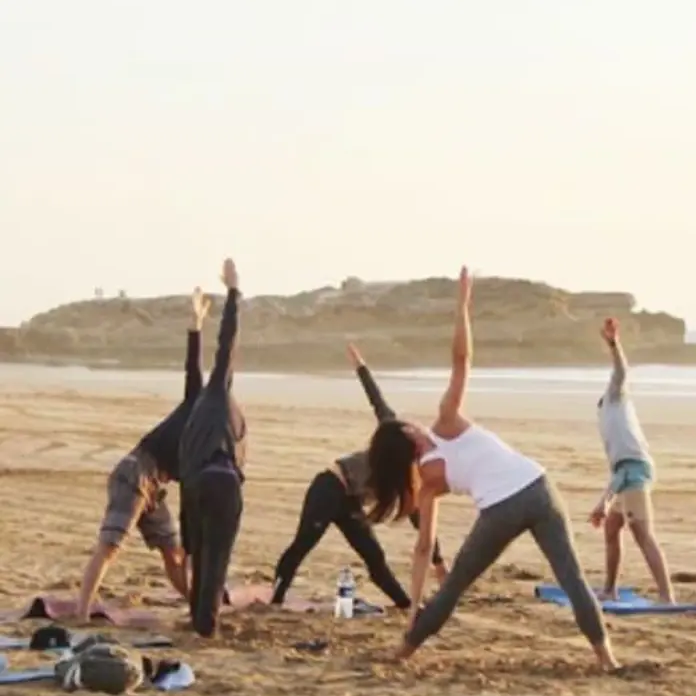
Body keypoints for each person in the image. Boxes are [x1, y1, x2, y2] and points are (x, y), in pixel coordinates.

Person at [364, 266, 619, 670]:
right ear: (408, 432)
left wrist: (414, 605)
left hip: (503, 509)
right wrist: (463, 306)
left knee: (455, 586)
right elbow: (462, 360)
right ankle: (606, 658)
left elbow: (423, 549)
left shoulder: (427, 483)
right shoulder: (446, 421)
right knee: (572, 578)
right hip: (539, 488)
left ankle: (406, 649)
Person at [270, 344, 448, 608]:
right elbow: (377, 401)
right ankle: (276, 598)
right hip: (329, 488)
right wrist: (361, 367)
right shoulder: (393, 437)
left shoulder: (405, 473)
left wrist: (438, 561)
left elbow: (419, 518)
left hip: (350, 501)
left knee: (374, 556)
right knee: (303, 544)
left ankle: (405, 604)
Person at [74, 288, 211, 619]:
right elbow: (193, 367)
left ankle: (197, 607)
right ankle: (81, 613)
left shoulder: (207, 445)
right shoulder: (197, 402)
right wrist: (195, 326)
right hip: (136, 472)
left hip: (156, 487)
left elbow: (193, 492)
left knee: (173, 552)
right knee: (110, 546)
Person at [179, 259, 245, 637]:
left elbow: (192, 367)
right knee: (216, 556)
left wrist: (195, 325)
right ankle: (206, 625)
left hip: (196, 485)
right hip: (221, 481)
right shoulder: (217, 392)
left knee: (202, 553)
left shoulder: (193, 406)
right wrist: (234, 292)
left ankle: (198, 618)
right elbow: (228, 345)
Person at [587, 318, 675, 604]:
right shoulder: (606, 415)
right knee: (612, 529)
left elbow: (622, 372)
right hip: (624, 473)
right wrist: (605, 501)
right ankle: (610, 589)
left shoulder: (616, 398)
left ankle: (666, 596)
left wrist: (614, 343)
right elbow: (617, 472)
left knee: (642, 534)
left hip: (635, 471)